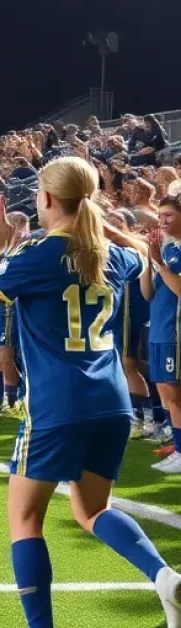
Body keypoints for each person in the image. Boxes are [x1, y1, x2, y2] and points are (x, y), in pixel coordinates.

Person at [0, 163, 180, 628]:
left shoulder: (33, 254)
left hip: (58, 406)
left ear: (46, 199)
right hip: (111, 403)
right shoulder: (111, 252)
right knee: (90, 510)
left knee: (24, 520)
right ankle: (163, 575)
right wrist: (97, 215)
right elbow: (138, 249)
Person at [141, 192, 181, 473]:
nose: (162, 221)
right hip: (158, 327)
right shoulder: (165, 249)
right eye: (160, 216)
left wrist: (159, 263)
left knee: (175, 393)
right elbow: (147, 294)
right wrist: (149, 259)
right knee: (166, 391)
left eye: (168, 215)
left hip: (174, 330)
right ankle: (176, 444)